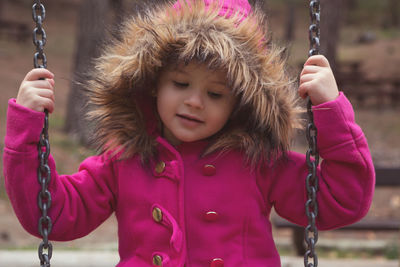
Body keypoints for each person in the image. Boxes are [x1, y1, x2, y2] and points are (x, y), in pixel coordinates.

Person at [3, 0, 375, 266]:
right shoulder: (124, 160)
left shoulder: (259, 162)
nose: (195, 102)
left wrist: (331, 111)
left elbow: (342, 200)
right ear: (152, 84)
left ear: (239, 103)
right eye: (180, 83)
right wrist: (27, 132)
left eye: (215, 93)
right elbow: (51, 213)